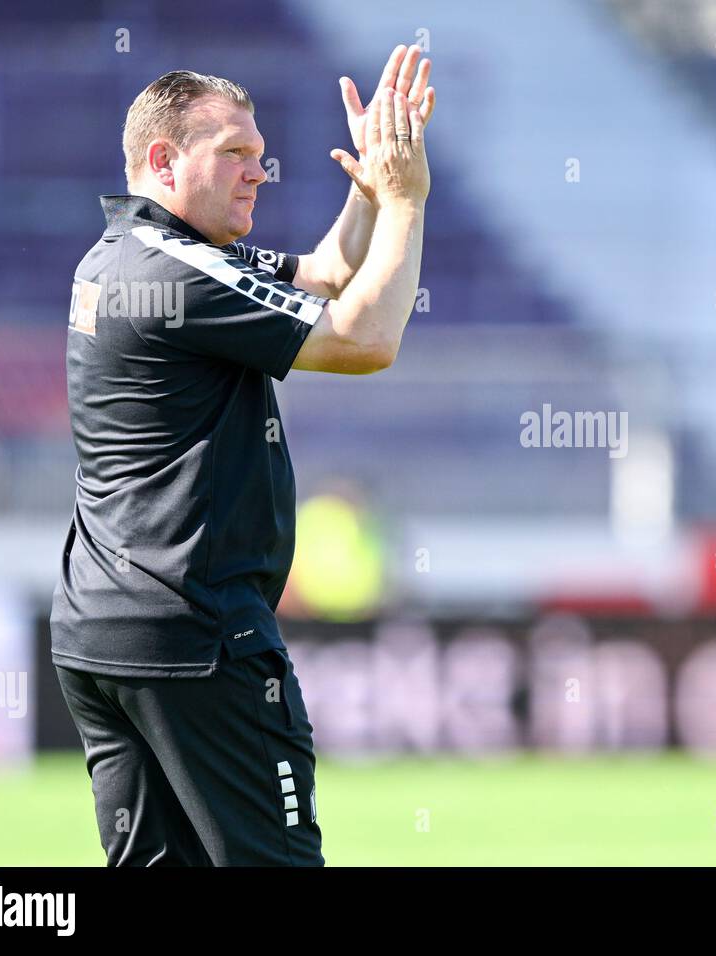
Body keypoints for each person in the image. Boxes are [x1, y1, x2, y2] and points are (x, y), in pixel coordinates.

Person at [50, 46, 433, 865]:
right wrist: (406, 201)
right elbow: (366, 339)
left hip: (105, 632)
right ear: (162, 159)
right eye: (234, 155)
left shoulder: (125, 256)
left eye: (261, 157)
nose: (260, 173)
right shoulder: (180, 270)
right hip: (198, 633)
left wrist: (367, 193)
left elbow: (326, 274)